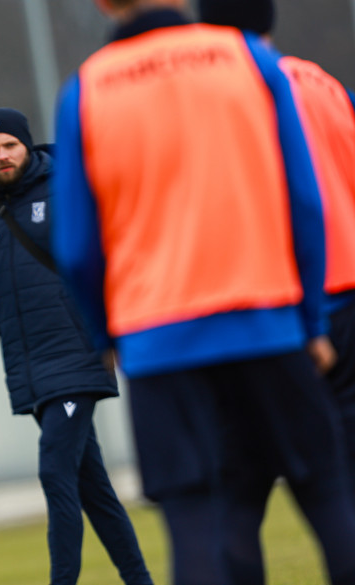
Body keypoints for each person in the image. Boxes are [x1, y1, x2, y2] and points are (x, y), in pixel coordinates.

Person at [52, 1, 355, 583]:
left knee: (201, 519)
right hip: (265, 321)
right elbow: (304, 200)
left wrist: (104, 333)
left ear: (102, 3)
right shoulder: (248, 59)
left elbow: (77, 247)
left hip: (158, 341)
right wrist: (311, 320)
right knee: (327, 494)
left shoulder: (85, 91)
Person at [0, 108, 152, 585]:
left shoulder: (68, 191)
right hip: (32, 370)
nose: (2, 155)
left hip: (78, 355)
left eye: (10, 145)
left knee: (54, 472)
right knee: (93, 490)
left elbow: (109, 260)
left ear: (27, 145)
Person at [197, 0, 355, 582]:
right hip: (349, 294)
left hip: (283, 306)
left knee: (241, 485)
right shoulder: (323, 82)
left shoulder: (231, 93)